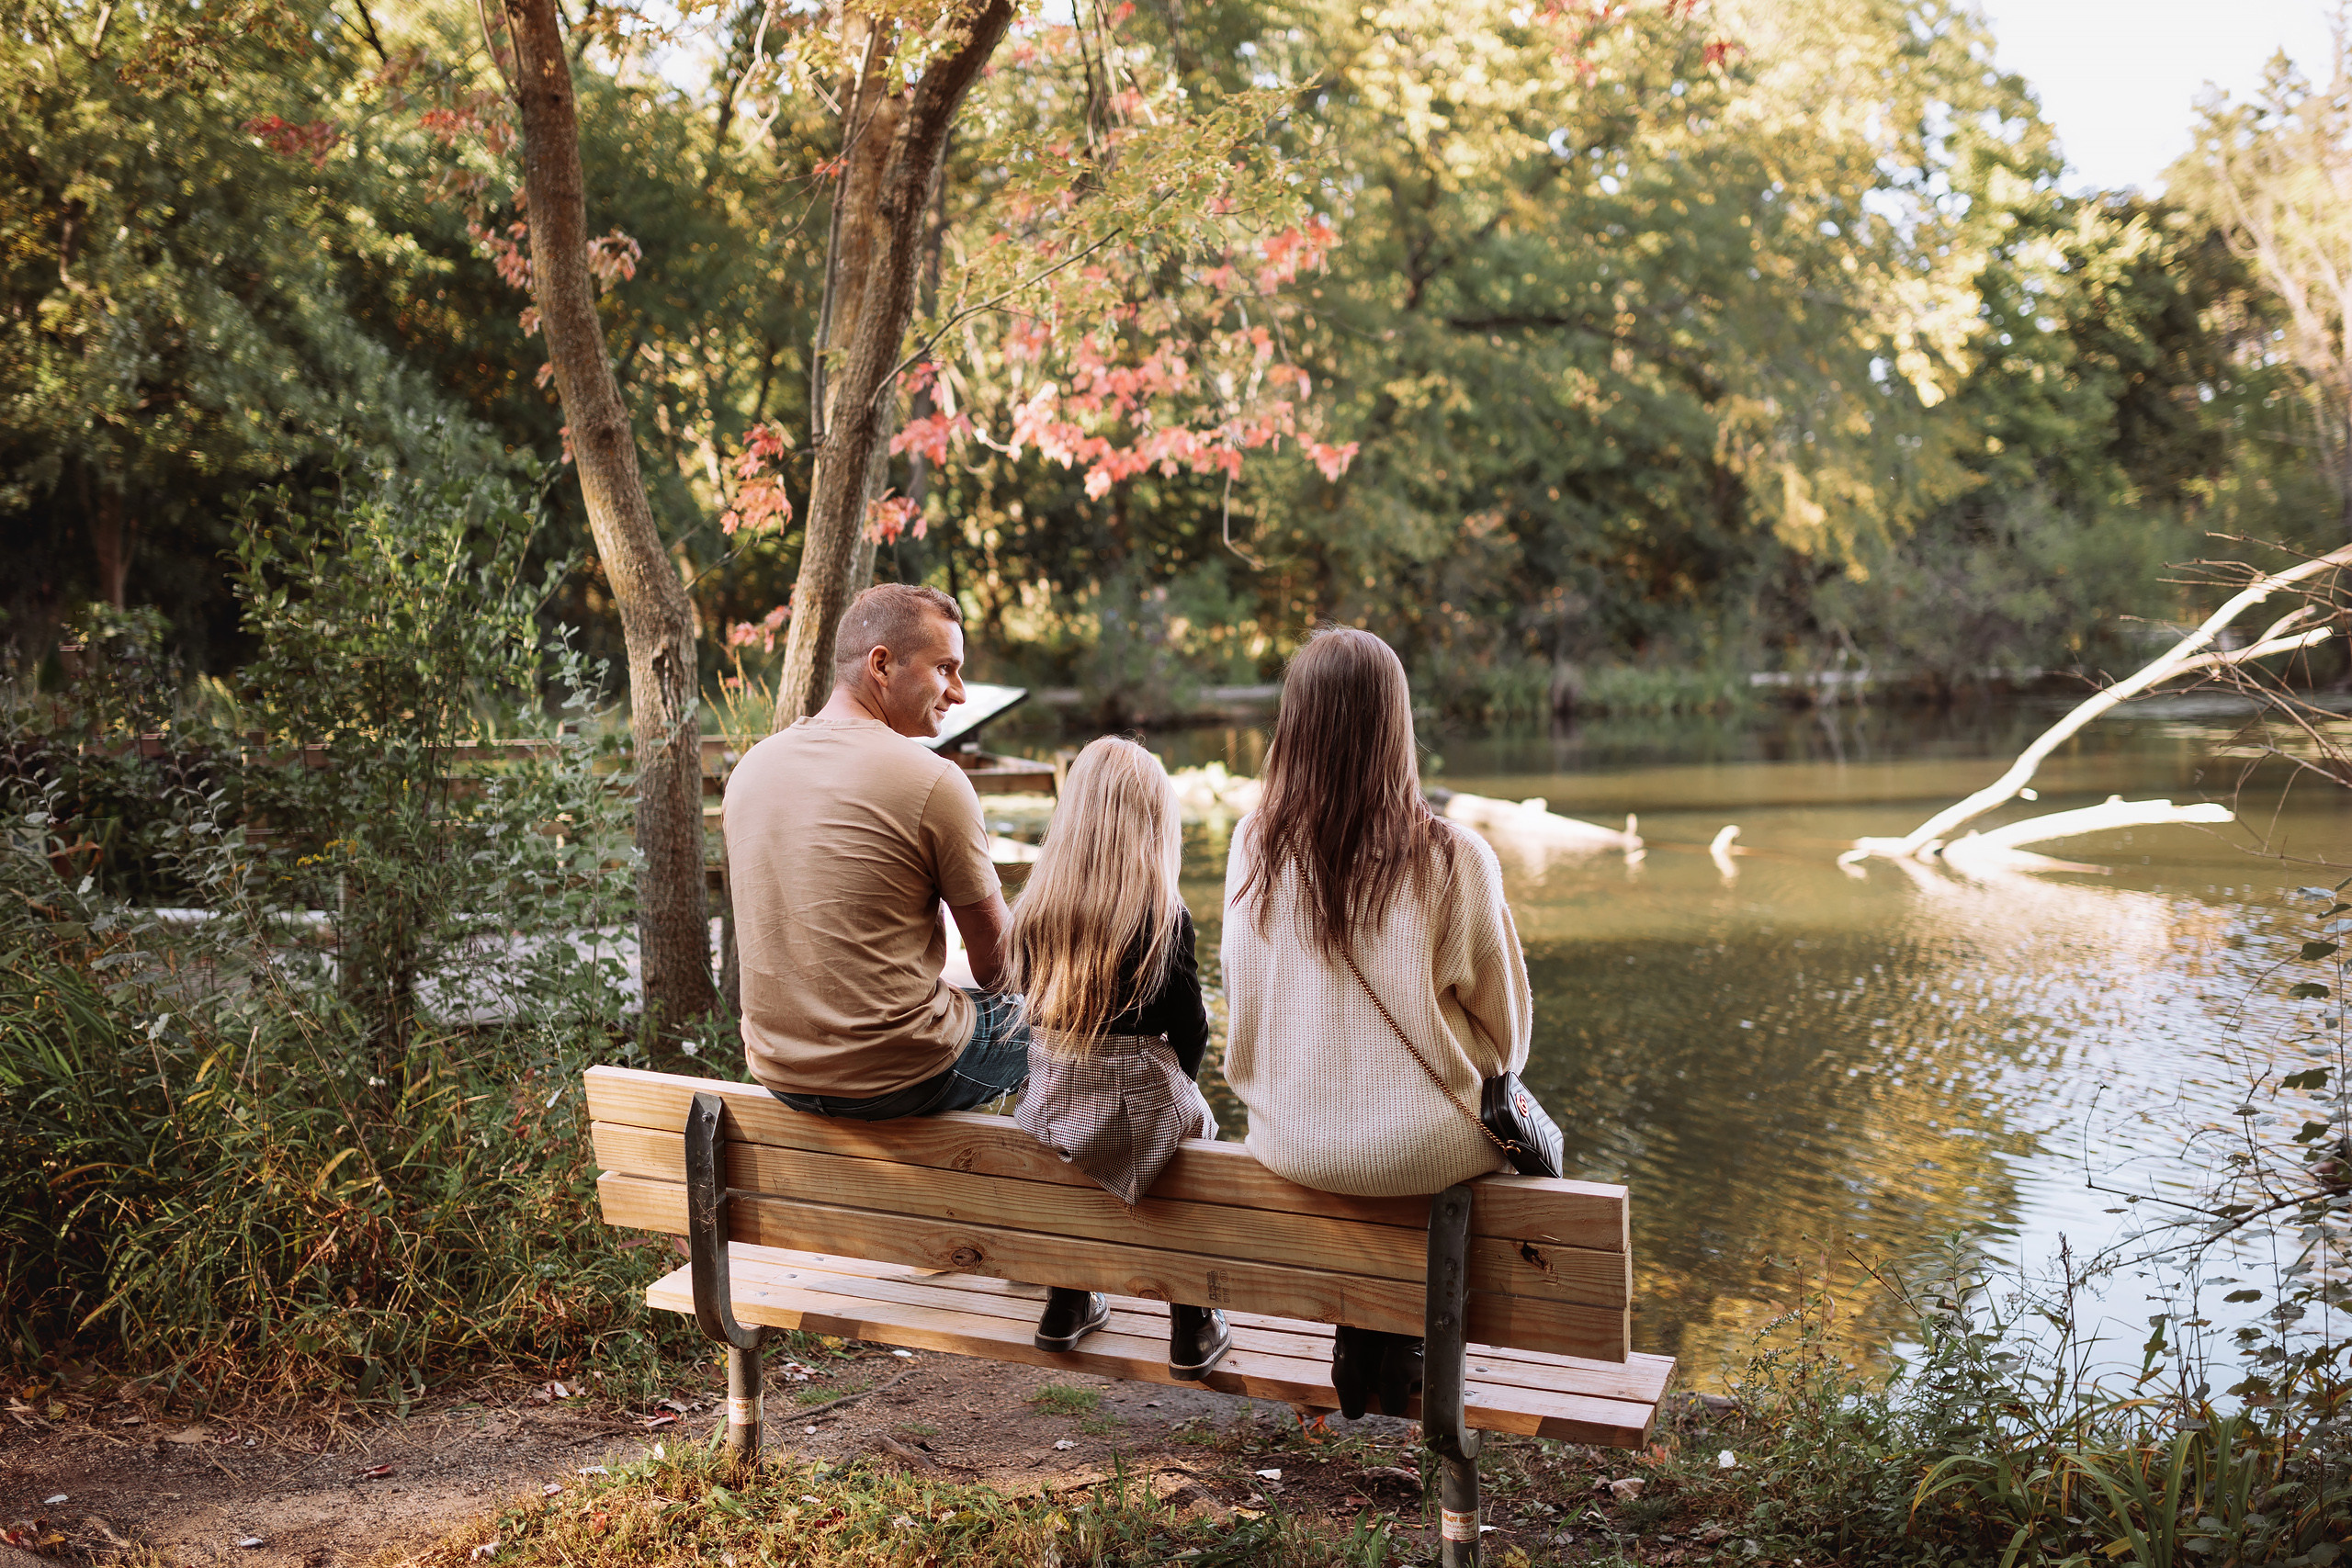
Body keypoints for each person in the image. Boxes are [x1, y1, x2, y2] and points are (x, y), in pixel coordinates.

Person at [1219, 626, 1532, 1419]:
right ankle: (1401, 1330)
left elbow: (1243, 999)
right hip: (1424, 1150)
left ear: (1295, 722)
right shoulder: (1455, 856)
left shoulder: (1254, 845)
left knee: (1369, 1144)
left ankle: (1366, 1321)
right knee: (1455, 1132)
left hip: (1292, 1138)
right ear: (1397, 725)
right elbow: (1507, 1040)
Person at [725, 583, 1028, 1119]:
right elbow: (1000, 967)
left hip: (782, 1072)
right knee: (1078, 1027)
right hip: (900, 1075)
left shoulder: (752, 768)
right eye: (945, 669)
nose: (958, 693)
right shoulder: (933, 781)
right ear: (881, 665)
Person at [1007, 738, 1231, 1380]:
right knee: (1191, 1141)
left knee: (1068, 1144)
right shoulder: (1162, 915)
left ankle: (1065, 1303)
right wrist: (1174, 1081)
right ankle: (1191, 1325)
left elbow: (1035, 1011)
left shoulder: (1036, 911)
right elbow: (1191, 1030)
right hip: (1141, 1110)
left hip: (1056, 1103)